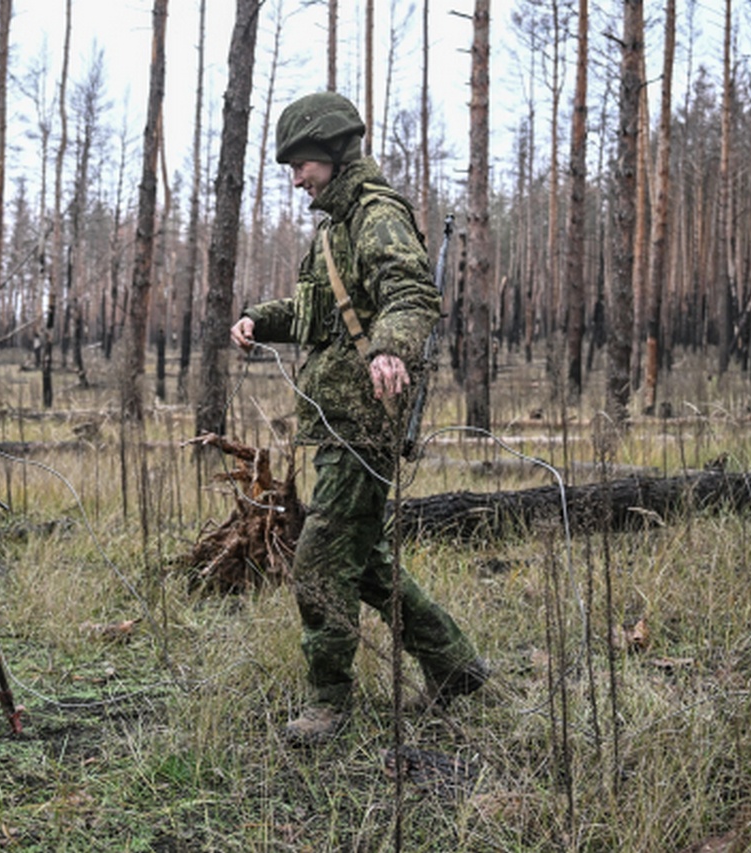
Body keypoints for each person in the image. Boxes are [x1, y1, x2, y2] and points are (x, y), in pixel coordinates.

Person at [230, 92, 487, 745]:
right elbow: (317, 315)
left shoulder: (376, 214)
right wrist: (260, 318)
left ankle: (329, 702)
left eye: (303, 164)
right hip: (339, 418)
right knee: (365, 558)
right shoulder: (334, 228)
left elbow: (411, 292)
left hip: (364, 420)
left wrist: (391, 348)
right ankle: (455, 665)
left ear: (335, 151)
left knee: (320, 559)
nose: (297, 179)